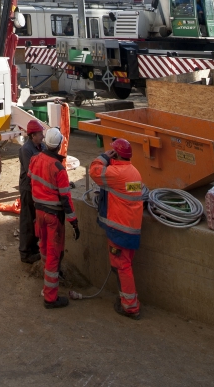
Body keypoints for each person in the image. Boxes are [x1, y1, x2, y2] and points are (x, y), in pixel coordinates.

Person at [89, 137, 144, 319]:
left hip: (119, 229)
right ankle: (128, 301)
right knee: (124, 264)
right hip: (131, 228)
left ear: (117, 154)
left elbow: (94, 171)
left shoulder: (116, 173)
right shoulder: (134, 172)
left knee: (123, 266)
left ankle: (130, 307)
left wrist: (103, 157)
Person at [29, 126, 79, 309]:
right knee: (53, 254)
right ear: (59, 146)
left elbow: (31, 178)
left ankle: (47, 281)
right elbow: (66, 199)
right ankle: (50, 297)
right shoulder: (58, 168)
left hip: (39, 212)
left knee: (43, 247)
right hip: (53, 216)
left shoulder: (35, 159)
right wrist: (74, 222)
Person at [18, 119, 46, 264]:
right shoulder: (26, 149)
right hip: (28, 188)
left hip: (37, 188)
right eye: (40, 133)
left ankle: (34, 249)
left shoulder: (41, 146)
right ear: (32, 135)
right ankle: (26, 253)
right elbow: (32, 171)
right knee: (27, 221)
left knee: (35, 219)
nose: (42, 135)